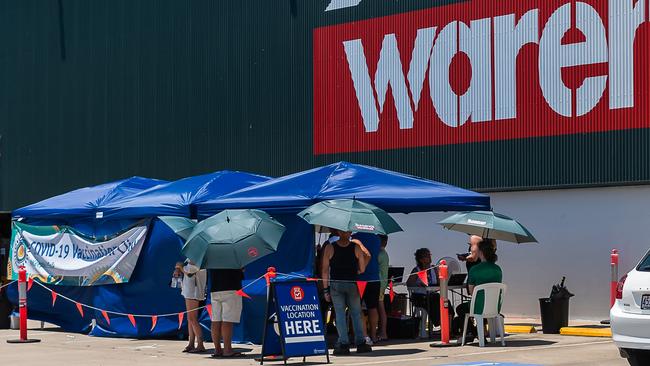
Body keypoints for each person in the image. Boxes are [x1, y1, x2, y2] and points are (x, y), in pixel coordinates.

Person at [322, 230, 373, 355]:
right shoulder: (356, 247)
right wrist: (357, 269)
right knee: (356, 313)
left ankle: (343, 344)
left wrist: (325, 290)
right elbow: (362, 269)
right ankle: (360, 343)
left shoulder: (330, 248)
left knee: (339, 314)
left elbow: (324, 270)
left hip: (336, 285)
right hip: (352, 284)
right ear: (350, 233)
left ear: (338, 232)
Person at [453, 238, 502, 342]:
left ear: (481, 252)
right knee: (477, 306)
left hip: (479, 306)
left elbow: (471, 292)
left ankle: (473, 332)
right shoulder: (498, 269)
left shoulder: (474, 270)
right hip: (494, 306)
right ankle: (478, 334)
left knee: (460, 309)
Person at [209, 268, 245, 358]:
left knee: (215, 320)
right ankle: (227, 350)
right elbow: (240, 274)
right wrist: (241, 270)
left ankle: (217, 349)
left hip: (215, 288)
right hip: (231, 287)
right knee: (227, 321)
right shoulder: (233, 255)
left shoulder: (212, 255)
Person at [406, 248, 443, 332]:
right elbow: (409, 283)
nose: (429, 257)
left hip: (432, 294)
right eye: (427, 256)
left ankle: (448, 327)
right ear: (421, 259)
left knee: (444, 301)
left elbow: (439, 282)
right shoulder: (416, 270)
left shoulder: (434, 269)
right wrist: (419, 284)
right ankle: (437, 323)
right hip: (420, 296)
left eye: (430, 255)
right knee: (434, 300)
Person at [175, 260, 207, 353]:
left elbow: (190, 271)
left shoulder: (199, 257)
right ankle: (191, 343)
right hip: (189, 290)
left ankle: (200, 344)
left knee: (192, 318)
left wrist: (180, 267)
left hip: (194, 291)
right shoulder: (193, 256)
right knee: (190, 319)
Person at [376, 234, 389, 341]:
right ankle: (382, 332)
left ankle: (383, 332)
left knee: (380, 309)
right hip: (382, 284)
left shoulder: (380, 254)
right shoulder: (384, 253)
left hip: (379, 284)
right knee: (380, 308)